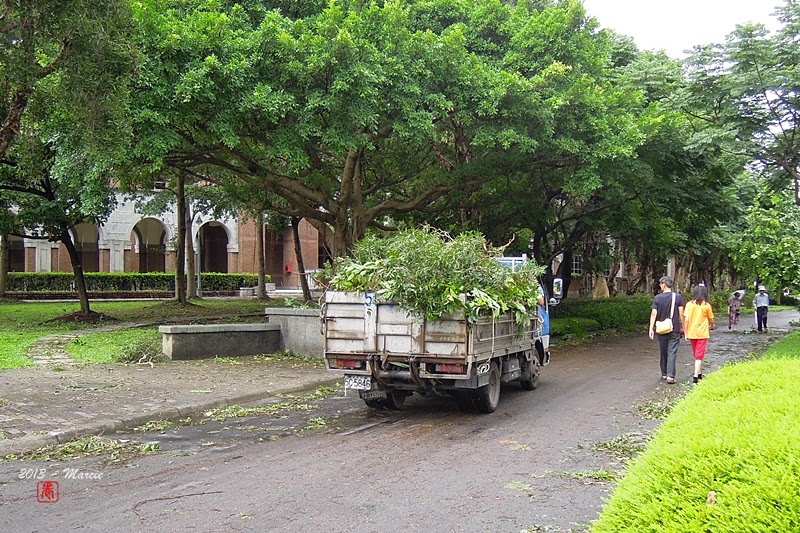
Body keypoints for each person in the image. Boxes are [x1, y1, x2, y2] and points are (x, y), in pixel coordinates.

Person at [649, 276, 685, 384]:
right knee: (672, 351)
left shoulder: (657, 298)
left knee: (663, 351)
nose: (660, 286)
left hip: (661, 329)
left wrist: (651, 328)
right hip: (674, 329)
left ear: (664, 284)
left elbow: (654, 314)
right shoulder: (677, 297)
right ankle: (670, 376)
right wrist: (684, 327)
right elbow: (681, 314)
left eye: (660, 284)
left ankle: (664, 373)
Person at [683, 285, 715, 384]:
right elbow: (711, 319)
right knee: (699, 356)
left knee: (696, 354)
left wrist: (686, 332)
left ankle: (700, 373)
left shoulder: (689, 304)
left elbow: (686, 319)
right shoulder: (706, 306)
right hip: (702, 333)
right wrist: (712, 324)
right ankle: (695, 377)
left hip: (692, 333)